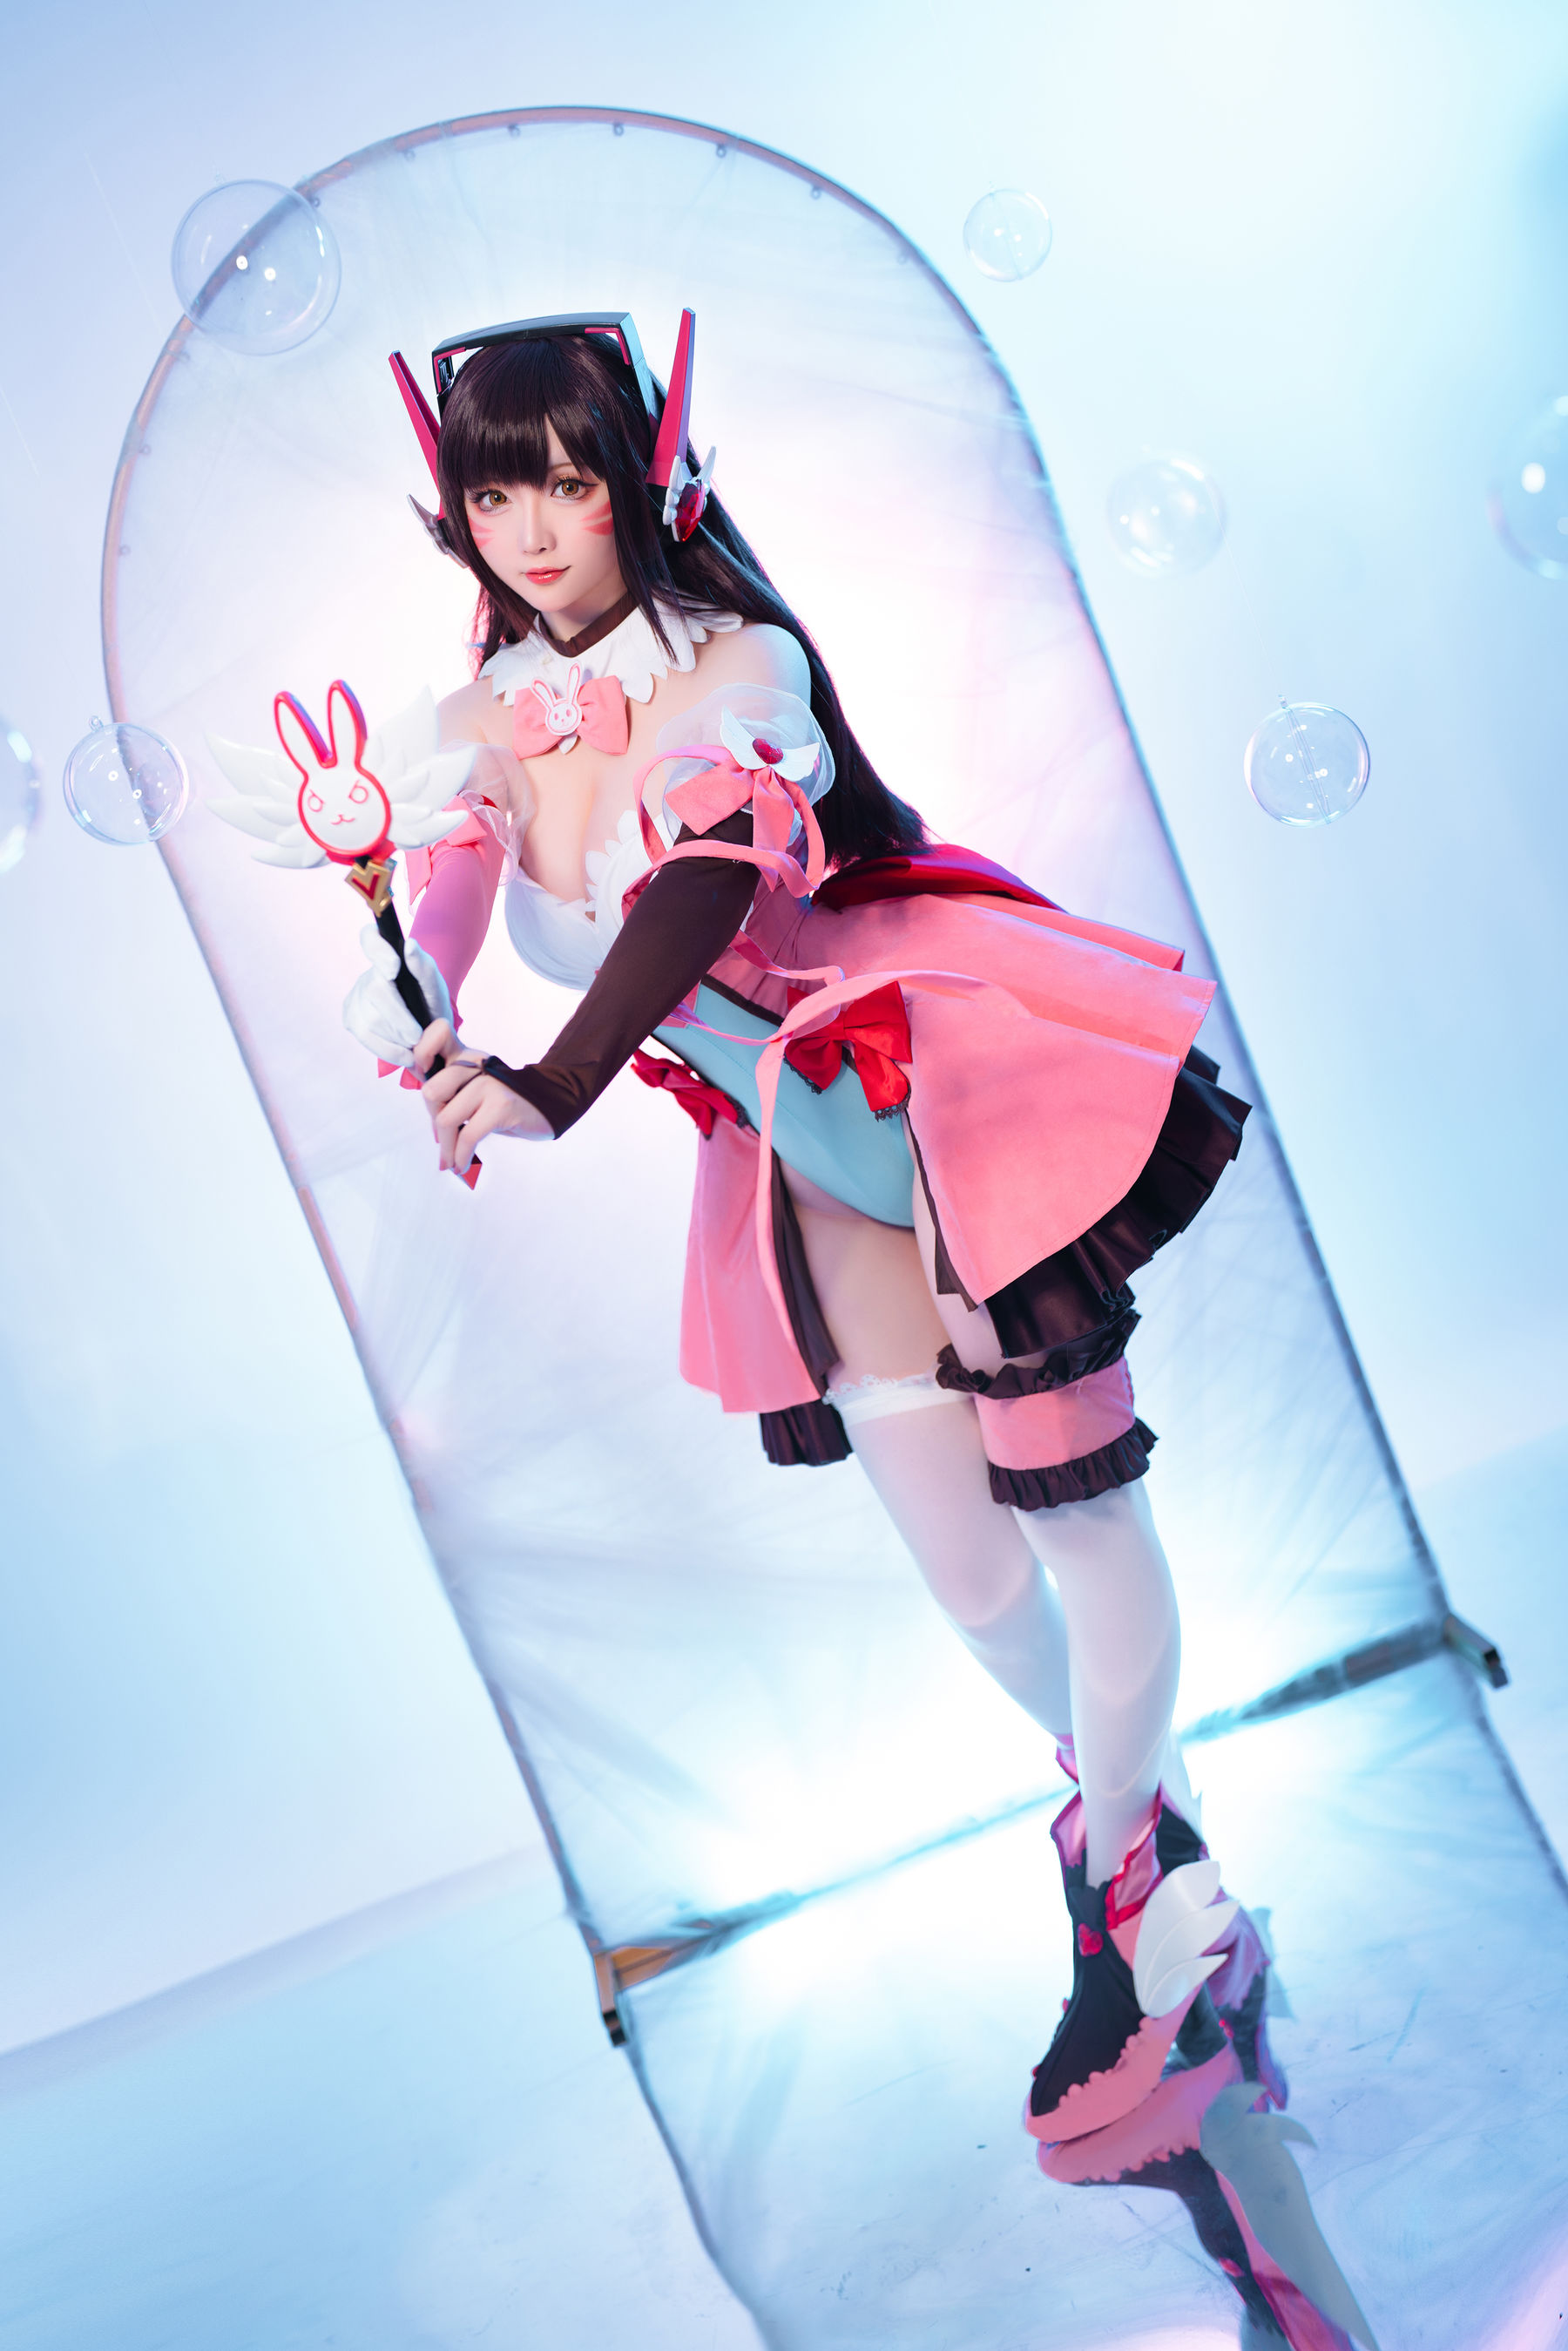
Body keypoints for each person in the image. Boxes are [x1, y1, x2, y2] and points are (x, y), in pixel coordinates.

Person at [355, 312, 1278, 2171]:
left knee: (1079, 1516)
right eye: (496, 493)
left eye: (570, 482)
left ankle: (1117, 1883)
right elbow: (446, 878)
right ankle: (1157, 1844)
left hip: (937, 1090)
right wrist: (414, 984)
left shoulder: (737, 666)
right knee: (972, 1573)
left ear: (641, 480)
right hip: (803, 1148)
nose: (533, 530)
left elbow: (707, 878)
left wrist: (557, 1077)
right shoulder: (479, 722)